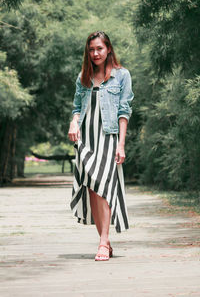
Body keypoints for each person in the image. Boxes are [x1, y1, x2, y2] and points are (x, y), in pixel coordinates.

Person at [68, 31, 134, 261]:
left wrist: (121, 144)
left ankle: (103, 243)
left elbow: (124, 111)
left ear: (108, 50)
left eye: (99, 49)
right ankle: (104, 241)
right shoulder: (83, 77)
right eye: (91, 50)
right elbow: (77, 108)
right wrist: (73, 123)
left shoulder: (122, 75)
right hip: (86, 138)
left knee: (103, 186)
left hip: (108, 137)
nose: (95, 53)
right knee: (92, 188)